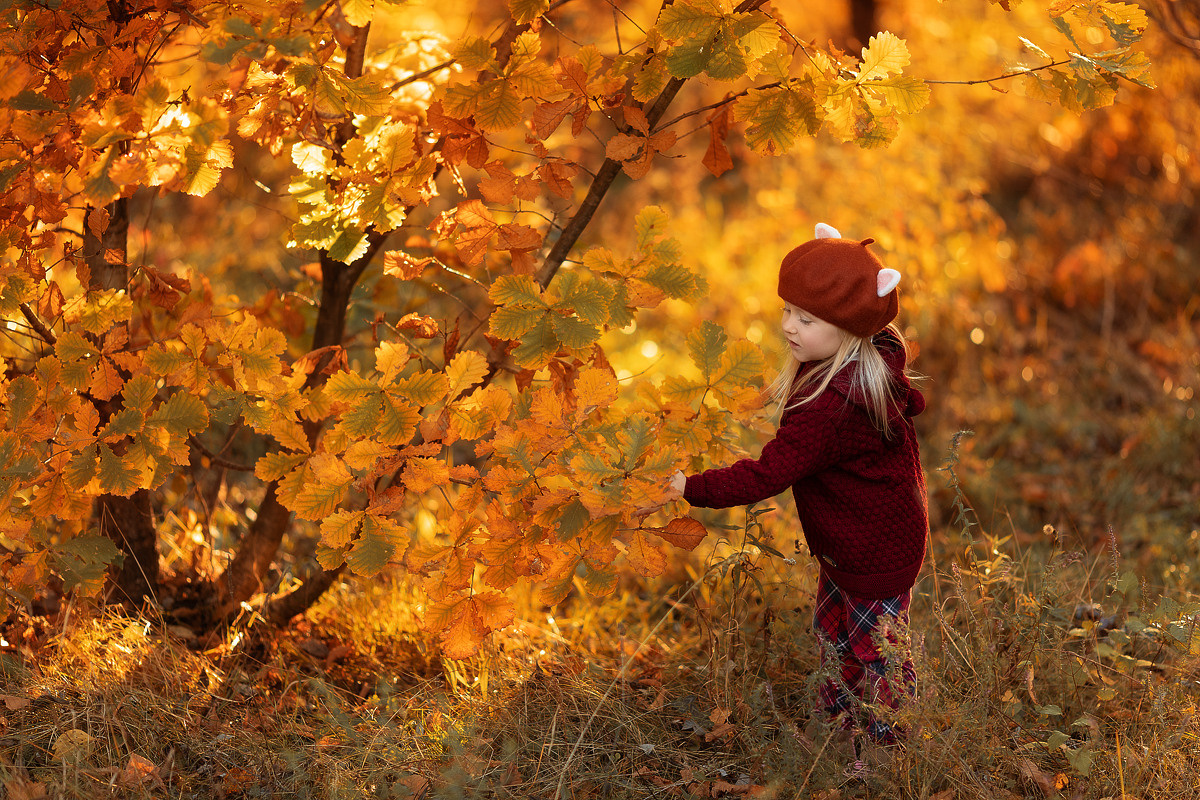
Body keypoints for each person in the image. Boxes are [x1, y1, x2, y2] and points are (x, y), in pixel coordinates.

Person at [662, 222, 928, 769]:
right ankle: (838, 731)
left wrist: (691, 487)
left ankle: (886, 756)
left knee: (877, 654)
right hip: (852, 542)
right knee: (834, 635)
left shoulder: (834, 406)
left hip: (875, 551)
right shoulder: (851, 362)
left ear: (849, 329)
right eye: (787, 311)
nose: (788, 325)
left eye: (807, 320)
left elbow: (767, 474)